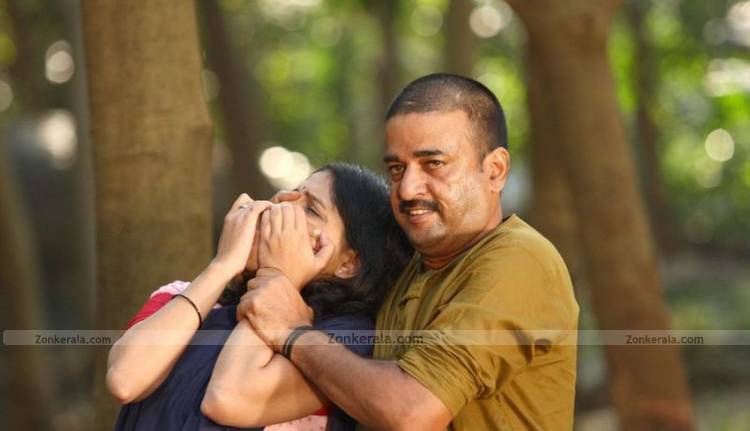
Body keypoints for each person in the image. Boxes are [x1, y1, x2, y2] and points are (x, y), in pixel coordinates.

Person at [235, 73, 580, 430]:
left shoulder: (521, 260)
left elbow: (411, 411)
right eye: (397, 169)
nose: (407, 189)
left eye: (434, 164)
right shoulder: (411, 265)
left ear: (495, 171)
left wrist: (293, 332)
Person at [107, 163, 412, 430]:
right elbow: (125, 380)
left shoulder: (346, 341)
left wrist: (279, 276)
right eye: (293, 192)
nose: (281, 203)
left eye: (310, 209)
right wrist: (223, 265)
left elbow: (228, 398)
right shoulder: (182, 295)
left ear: (348, 263)